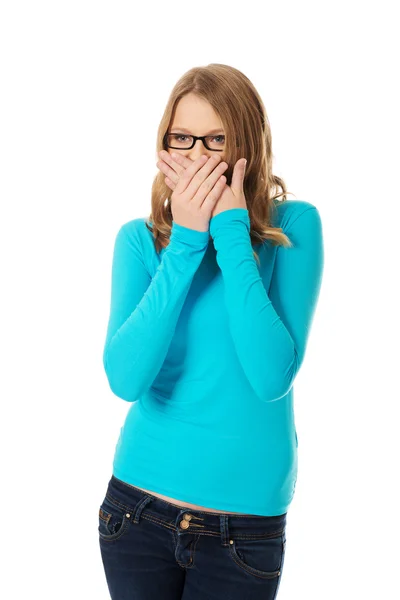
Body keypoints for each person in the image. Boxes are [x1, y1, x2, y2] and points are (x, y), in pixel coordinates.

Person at [98, 63, 324, 599]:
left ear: (246, 142)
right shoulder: (139, 241)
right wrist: (183, 244)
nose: (197, 156)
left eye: (216, 140)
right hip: (136, 512)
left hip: (244, 529)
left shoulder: (294, 229)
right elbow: (124, 379)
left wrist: (229, 231)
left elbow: (272, 374)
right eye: (183, 138)